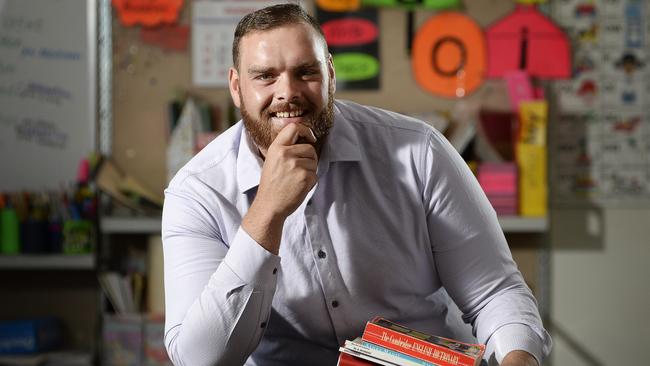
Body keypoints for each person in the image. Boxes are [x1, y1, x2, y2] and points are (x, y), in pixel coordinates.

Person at [162, 3, 552, 366]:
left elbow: (495, 293)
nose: (288, 92)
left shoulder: (420, 152)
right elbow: (198, 358)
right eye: (265, 76)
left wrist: (516, 358)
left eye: (306, 71)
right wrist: (267, 212)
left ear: (330, 73)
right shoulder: (196, 192)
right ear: (236, 87)